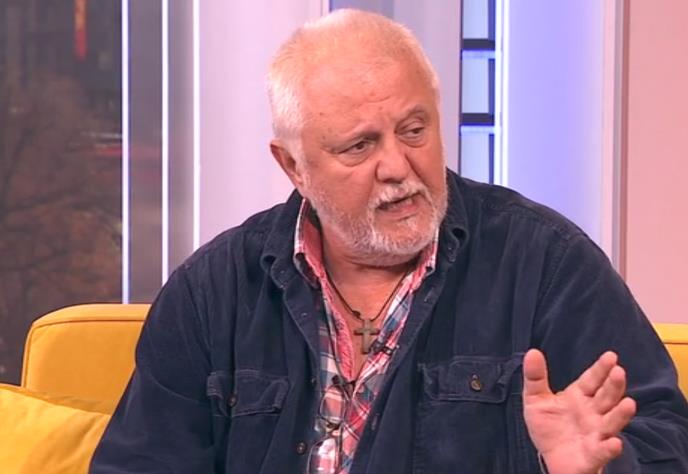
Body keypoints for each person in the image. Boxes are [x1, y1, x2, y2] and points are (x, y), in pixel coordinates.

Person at [91, 9, 688, 474]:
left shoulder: (546, 264)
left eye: (414, 130)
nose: (399, 167)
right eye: (360, 146)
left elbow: (666, 441)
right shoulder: (213, 292)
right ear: (293, 166)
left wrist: (591, 469)